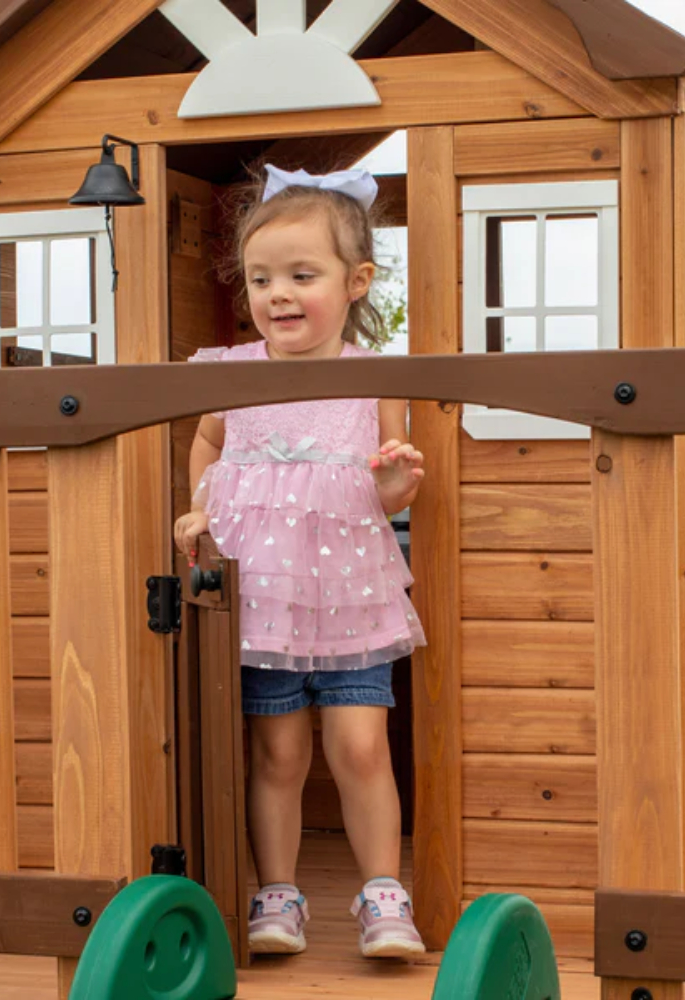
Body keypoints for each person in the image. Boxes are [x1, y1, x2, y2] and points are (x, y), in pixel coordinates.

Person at [173, 164, 427, 960]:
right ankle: (277, 894)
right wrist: (201, 509)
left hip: (352, 601)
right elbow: (208, 444)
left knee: (360, 747)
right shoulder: (230, 373)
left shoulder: (375, 379)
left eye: (300, 276)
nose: (277, 294)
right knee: (277, 752)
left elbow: (386, 488)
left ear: (356, 282)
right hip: (263, 601)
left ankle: (384, 895)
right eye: (261, 279)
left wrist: (395, 483)